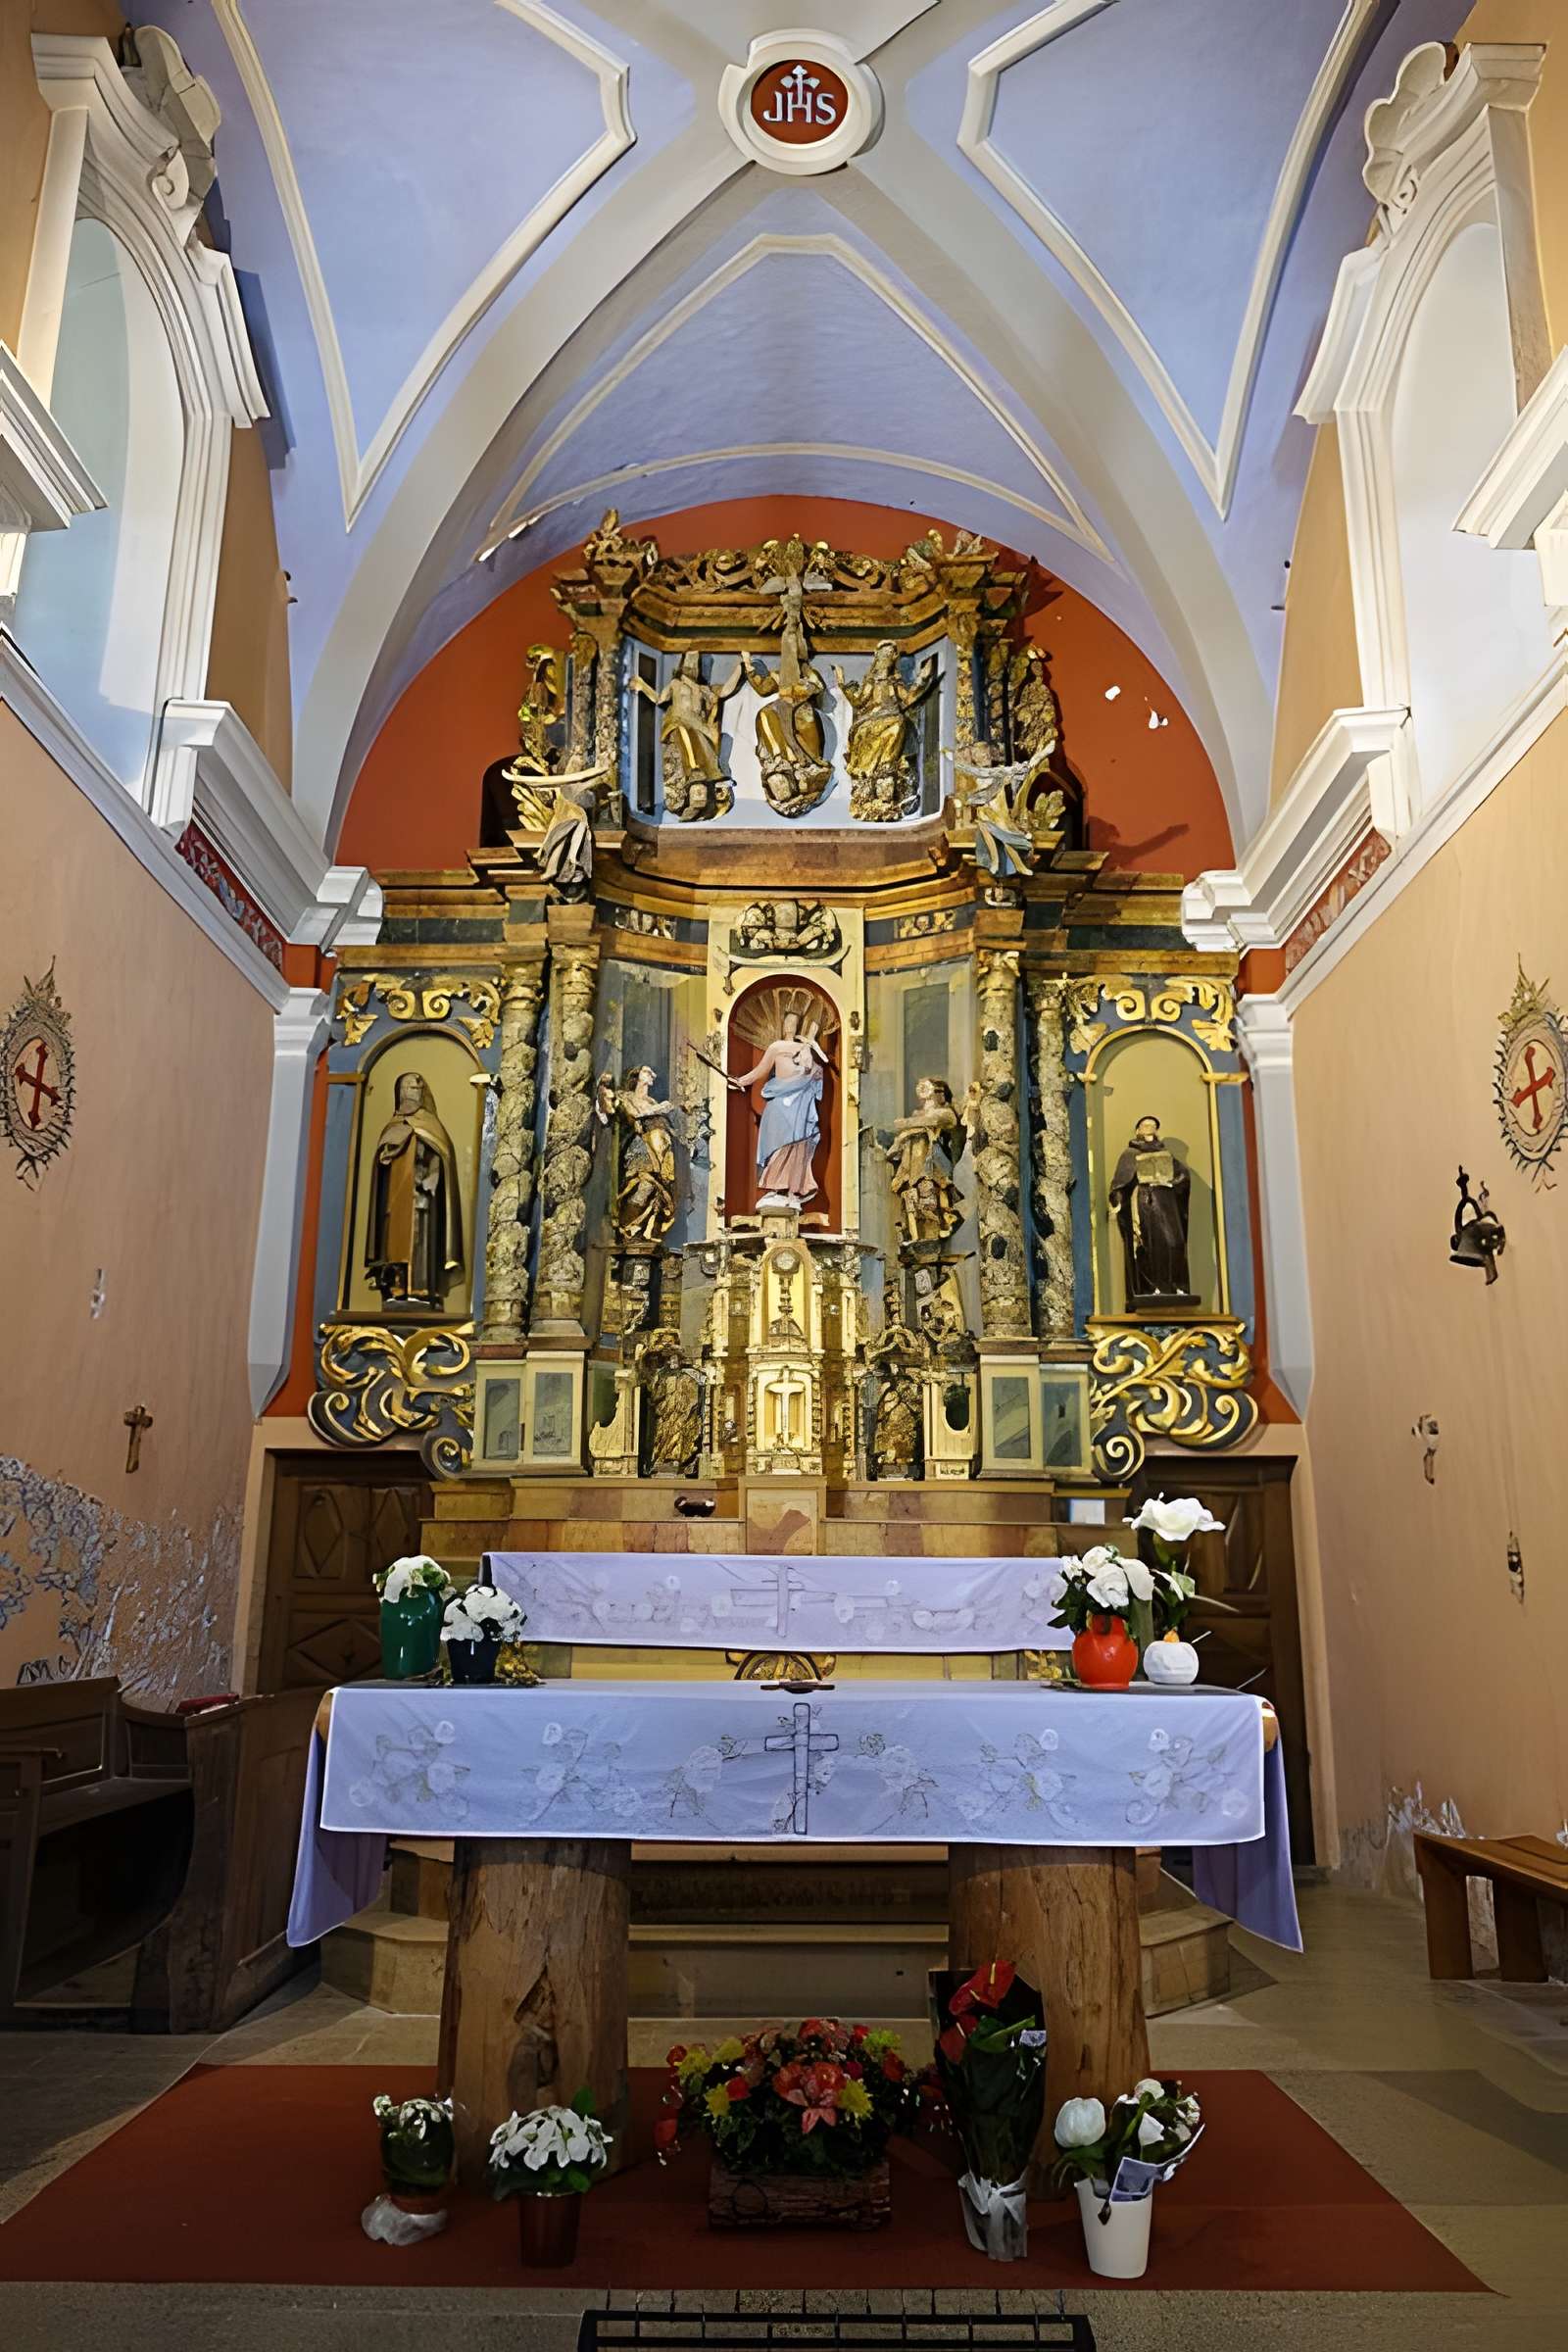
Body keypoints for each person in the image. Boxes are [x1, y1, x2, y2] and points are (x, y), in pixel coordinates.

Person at [366, 1072, 463, 1304]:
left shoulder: (431, 1126)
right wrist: (386, 1154)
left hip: (423, 1198)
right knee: (393, 1244)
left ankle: (422, 1289)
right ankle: (395, 1288)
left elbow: (441, 1155)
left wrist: (434, 1174)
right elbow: (381, 1165)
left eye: (415, 1088)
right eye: (407, 1088)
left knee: (421, 1244)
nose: (411, 1092)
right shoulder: (393, 1125)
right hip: (394, 1200)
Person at [728, 1008, 830, 1208]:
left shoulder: (805, 1049)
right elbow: (761, 1070)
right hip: (780, 1103)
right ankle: (775, 1187)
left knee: (799, 1144)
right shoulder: (776, 1047)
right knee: (779, 1145)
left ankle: (794, 1189)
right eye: (788, 1021)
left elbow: (817, 1071)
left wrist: (811, 1063)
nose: (790, 1025)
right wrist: (741, 1081)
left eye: (794, 1021)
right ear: (782, 1025)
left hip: (800, 1102)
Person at [1108, 1113, 1197, 1304]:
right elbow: (1120, 1183)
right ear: (1138, 1130)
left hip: (1167, 1203)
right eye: (1144, 1125)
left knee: (1175, 1242)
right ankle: (1152, 1287)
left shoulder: (1167, 1154)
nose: (1148, 1127)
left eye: (1152, 1125)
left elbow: (1183, 1176)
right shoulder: (1130, 1153)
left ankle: (1175, 1286)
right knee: (1149, 1244)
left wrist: (1173, 1182)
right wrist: (1117, 1201)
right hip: (1145, 1202)